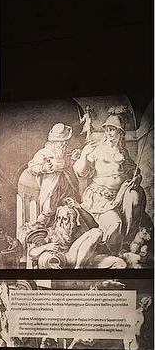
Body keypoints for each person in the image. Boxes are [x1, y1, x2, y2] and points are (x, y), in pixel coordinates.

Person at [73, 109, 143, 255]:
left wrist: (137, 178)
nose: (109, 132)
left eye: (113, 129)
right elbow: (81, 172)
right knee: (115, 223)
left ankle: (122, 246)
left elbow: (134, 171)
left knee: (135, 197)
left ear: (120, 132)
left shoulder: (123, 153)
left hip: (117, 197)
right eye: (107, 129)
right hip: (99, 197)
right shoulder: (97, 149)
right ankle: (108, 254)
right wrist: (84, 155)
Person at [29, 203, 126, 269]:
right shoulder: (51, 232)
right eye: (58, 218)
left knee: (120, 263)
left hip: (85, 258)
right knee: (96, 232)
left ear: (72, 221)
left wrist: (79, 208)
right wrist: (46, 247)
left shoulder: (78, 231)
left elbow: (94, 226)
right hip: (65, 259)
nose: (60, 222)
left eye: (64, 219)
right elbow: (32, 253)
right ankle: (79, 268)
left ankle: (80, 266)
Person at [26, 123, 81, 221]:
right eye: (61, 142)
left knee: (69, 205)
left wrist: (73, 158)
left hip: (67, 183)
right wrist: (43, 168)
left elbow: (69, 165)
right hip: (51, 184)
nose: (63, 144)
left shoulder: (67, 152)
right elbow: (32, 166)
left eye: (65, 142)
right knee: (49, 207)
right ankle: (42, 224)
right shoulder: (43, 153)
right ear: (53, 142)